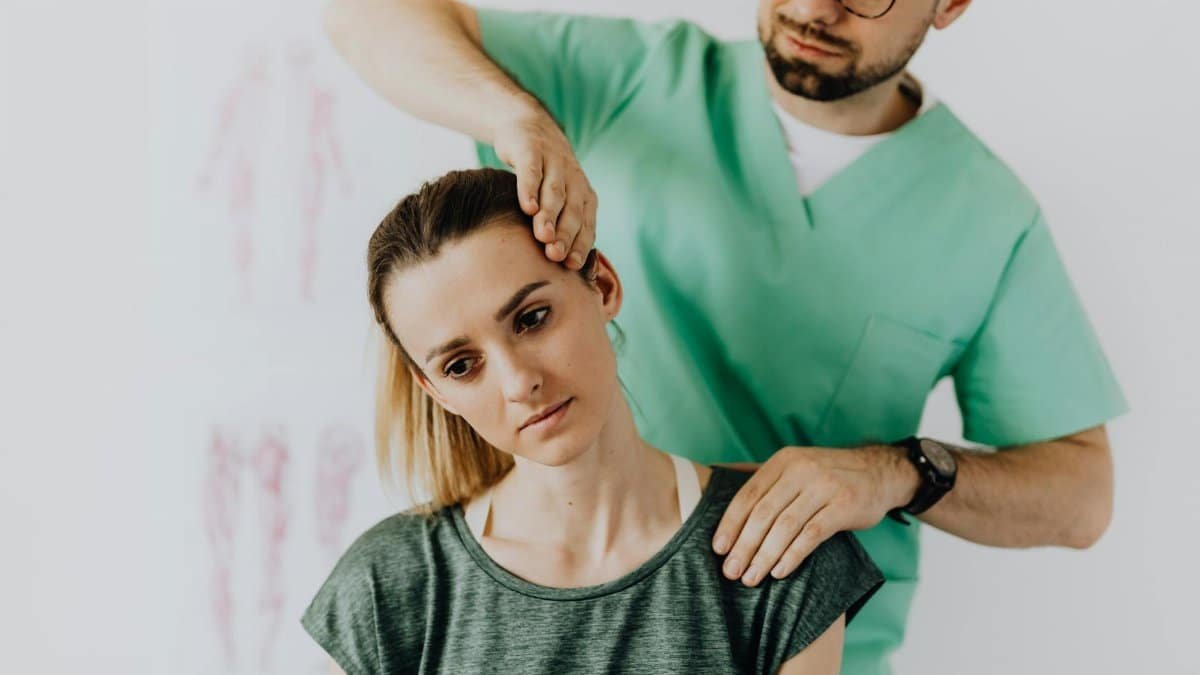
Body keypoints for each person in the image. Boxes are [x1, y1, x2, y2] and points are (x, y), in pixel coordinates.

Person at [321, 1, 1128, 672]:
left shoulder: (986, 216)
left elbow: (1081, 498)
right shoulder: (628, 80)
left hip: (779, 623)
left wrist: (893, 472)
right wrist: (514, 114)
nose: (813, 7)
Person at [300, 168, 885, 674]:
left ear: (601, 285)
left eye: (531, 319)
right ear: (436, 392)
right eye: (461, 365)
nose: (517, 382)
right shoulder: (387, 587)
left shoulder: (779, 551)